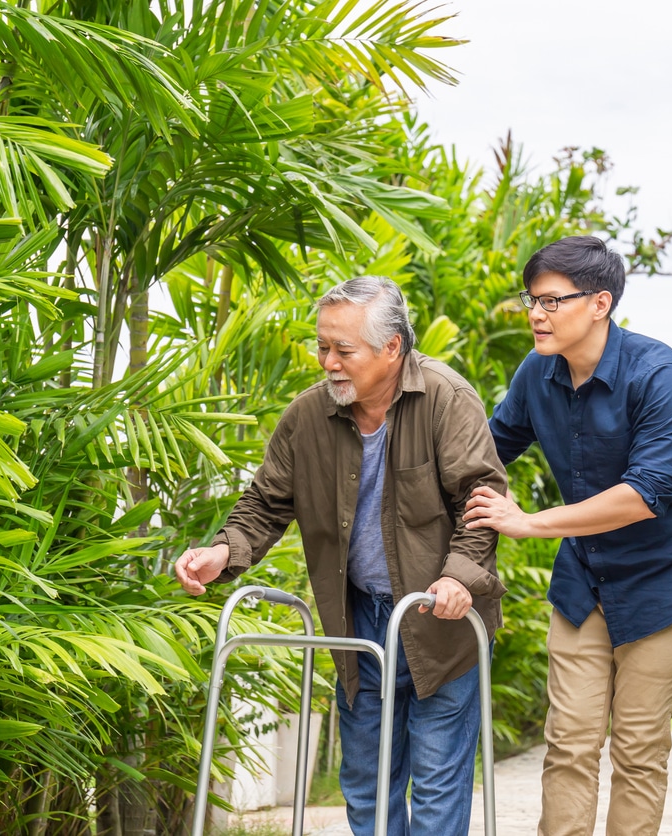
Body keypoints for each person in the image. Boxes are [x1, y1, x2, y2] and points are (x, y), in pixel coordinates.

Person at [175, 276, 507, 836]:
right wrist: (221, 552)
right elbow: (265, 502)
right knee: (366, 783)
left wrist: (459, 579)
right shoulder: (309, 417)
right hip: (360, 622)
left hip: (441, 623)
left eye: (343, 350)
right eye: (322, 346)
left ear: (392, 348)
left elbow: (482, 504)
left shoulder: (447, 400)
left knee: (435, 787)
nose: (328, 361)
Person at [463, 235, 672, 836]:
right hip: (584, 583)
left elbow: (641, 496)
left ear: (600, 303)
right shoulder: (537, 373)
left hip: (666, 584)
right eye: (531, 299)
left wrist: (528, 523)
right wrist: (497, 493)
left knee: (637, 751)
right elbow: (485, 452)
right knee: (569, 745)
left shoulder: (662, 376)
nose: (535, 314)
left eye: (552, 301)